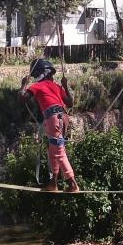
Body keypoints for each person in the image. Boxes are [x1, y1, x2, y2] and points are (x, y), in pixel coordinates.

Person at [20, 59, 79, 193]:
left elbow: (22, 97)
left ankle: (73, 184)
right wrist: (65, 86)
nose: (52, 77)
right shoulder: (57, 86)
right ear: (48, 74)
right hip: (62, 118)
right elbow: (70, 103)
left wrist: (23, 84)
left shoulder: (38, 86)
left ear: (39, 75)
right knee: (53, 151)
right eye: (51, 75)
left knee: (58, 152)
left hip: (53, 119)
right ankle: (53, 183)